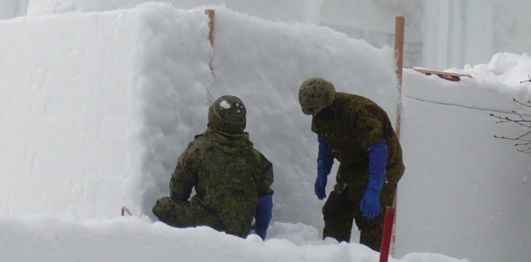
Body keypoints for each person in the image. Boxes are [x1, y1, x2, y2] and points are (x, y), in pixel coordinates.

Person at [299, 77, 404, 250]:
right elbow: (325, 142)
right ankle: (334, 255)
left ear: (329, 101)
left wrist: (373, 189)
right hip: (354, 162)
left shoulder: (360, 113)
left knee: (371, 219)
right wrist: (322, 172)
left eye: (317, 111)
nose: (315, 115)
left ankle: (369, 258)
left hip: (384, 164)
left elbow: (378, 151)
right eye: (311, 112)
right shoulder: (320, 112)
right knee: (335, 211)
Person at [152, 95, 274, 238]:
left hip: (204, 223)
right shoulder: (257, 159)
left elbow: (178, 192)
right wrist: (259, 233)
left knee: (162, 207)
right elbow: (264, 203)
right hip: (240, 230)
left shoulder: (199, 149)